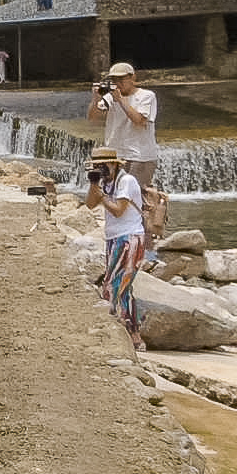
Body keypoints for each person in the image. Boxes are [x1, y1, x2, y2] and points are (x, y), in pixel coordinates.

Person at [85, 147, 147, 350]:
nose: (99, 170)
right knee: (124, 289)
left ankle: (117, 333)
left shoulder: (126, 181)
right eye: (96, 167)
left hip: (130, 238)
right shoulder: (106, 183)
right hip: (114, 239)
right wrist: (94, 184)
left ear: (113, 164)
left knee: (113, 287)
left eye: (102, 166)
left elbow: (119, 210)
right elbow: (90, 205)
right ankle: (134, 335)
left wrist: (102, 196)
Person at [87, 62, 158, 191]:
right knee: (112, 194)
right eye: (114, 80)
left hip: (140, 157)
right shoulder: (110, 97)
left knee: (136, 197)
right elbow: (93, 118)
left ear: (132, 78)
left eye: (121, 79)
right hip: (116, 156)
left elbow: (139, 120)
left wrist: (120, 100)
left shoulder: (146, 96)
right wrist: (96, 98)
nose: (117, 83)